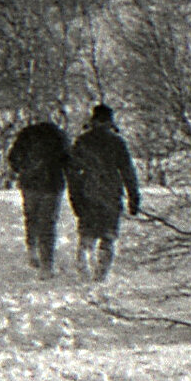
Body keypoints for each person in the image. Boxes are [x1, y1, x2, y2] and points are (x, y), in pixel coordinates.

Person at [66, 104, 141, 281]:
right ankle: (101, 274)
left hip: (88, 192)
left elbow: (72, 173)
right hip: (111, 194)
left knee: (87, 234)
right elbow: (127, 171)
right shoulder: (117, 142)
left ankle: (83, 269)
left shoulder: (82, 141)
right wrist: (133, 196)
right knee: (108, 236)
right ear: (110, 121)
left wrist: (75, 198)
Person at [7, 121, 70, 278]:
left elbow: (12, 158)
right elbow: (68, 160)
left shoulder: (25, 135)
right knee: (48, 223)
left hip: (30, 184)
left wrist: (23, 170)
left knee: (31, 218)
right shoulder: (59, 136)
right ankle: (46, 265)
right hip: (52, 184)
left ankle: (32, 249)